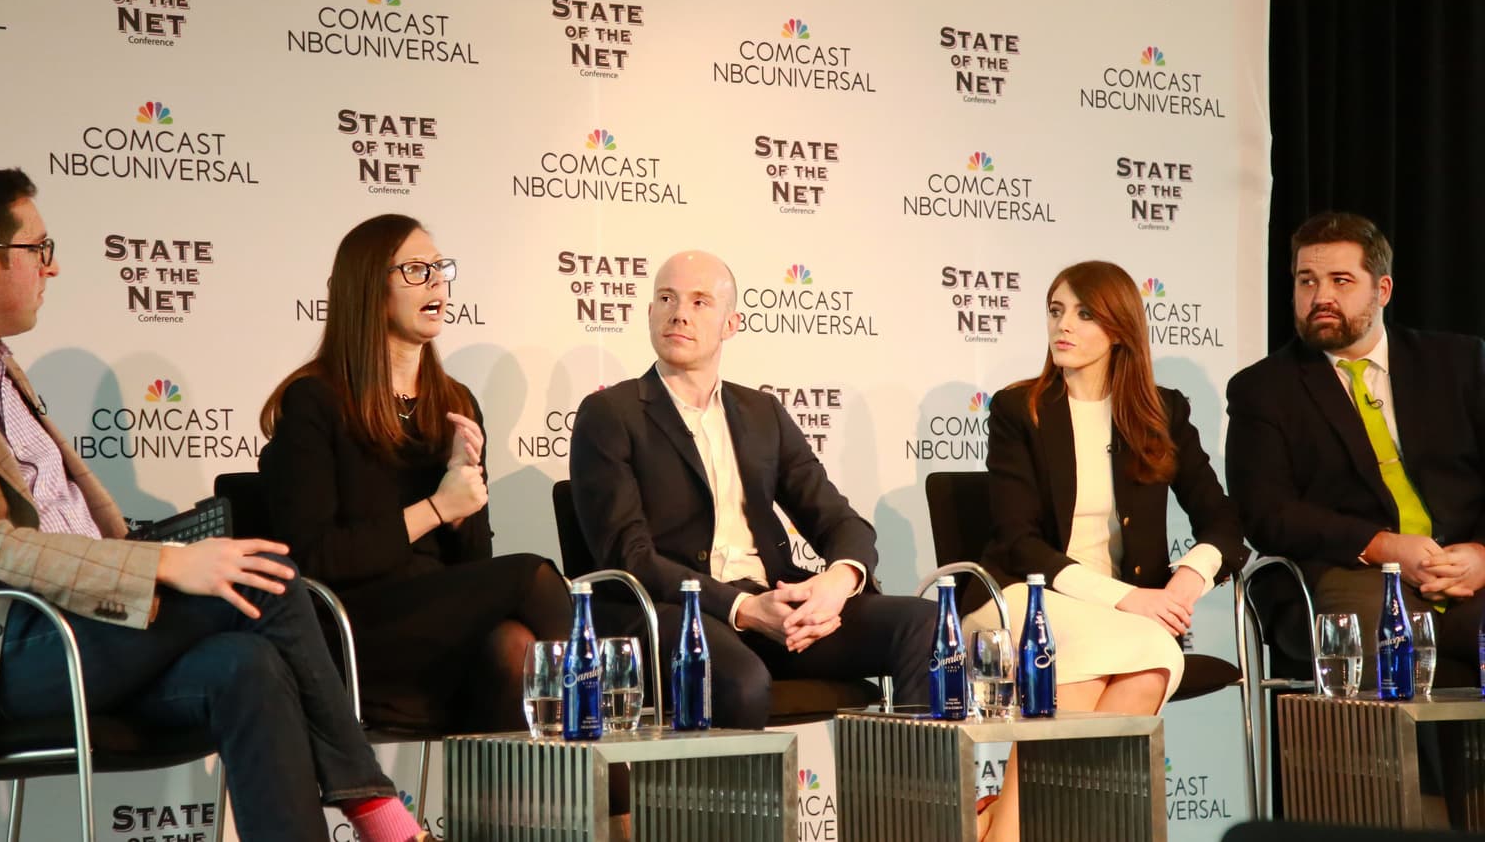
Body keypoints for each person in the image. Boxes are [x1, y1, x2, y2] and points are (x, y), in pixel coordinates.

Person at [0, 167, 423, 842]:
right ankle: (383, 817)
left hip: (85, 624)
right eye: (41, 250)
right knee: (265, 581)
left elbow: (56, 514)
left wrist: (158, 549)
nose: (54, 268)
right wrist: (165, 565)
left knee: (248, 667)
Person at [567, 250, 936, 729]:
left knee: (922, 626)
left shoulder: (762, 414)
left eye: (700, 302)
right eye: (666, 298)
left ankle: (908, 806)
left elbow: (839, 521)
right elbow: (629, 556)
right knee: (741, 680)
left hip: (777, 606)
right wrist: (743, 609)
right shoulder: (611, 414)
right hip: (679, 613)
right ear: (650, 313)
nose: (680, 312)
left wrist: (836, 582)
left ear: (730, 323)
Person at [966, 260, 1246, 842]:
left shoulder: (1163, 411)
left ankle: (1007, 823)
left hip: (1122, 618)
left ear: (1119, 328)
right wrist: (1129, 600)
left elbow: (1223, 522)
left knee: (1146, 664)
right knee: (1123, 651)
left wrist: (1184, 583)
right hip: (1021, 597)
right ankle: (1009, 832)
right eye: (1056, 310)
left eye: (1084, 313)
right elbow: (1020, 545)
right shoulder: (1021, 410)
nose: (1063, 326)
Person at [258, 214, 571, 732]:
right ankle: (614, 800)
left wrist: (462, 486)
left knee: (513, 644)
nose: (437, 282)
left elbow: (474, 563)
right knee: (533, 577)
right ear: (368, 286)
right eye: (416, 270)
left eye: (440, 268)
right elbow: (313, 559)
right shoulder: (316, 401)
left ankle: (516, 813)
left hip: (440, 625)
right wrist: (435, 509)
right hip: (353, 628)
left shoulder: (454, 402)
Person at [1226, 212, 1485, 687]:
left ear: (1382, 290)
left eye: (1341, 280)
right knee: (1381, 649)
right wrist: (1381, 546)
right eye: (1307, 281)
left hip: (1465, 569)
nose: (1321, 297)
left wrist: (1482, 554)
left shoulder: (1459, 364)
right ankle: (1386, 765)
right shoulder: (1263, 389)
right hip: (1348, 570)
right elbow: (1266, 512)